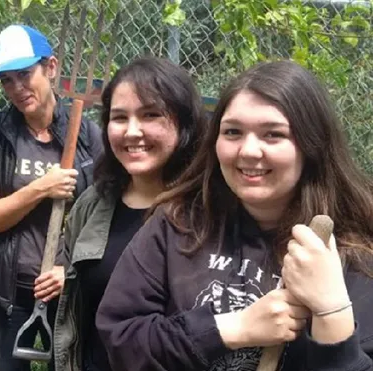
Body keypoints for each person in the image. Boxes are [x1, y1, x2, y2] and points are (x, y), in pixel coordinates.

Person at [96, 60, 373, 370]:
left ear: (312, 144)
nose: (248, 151)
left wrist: (331, 309)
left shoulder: (358, 251)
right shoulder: (177, 223)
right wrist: (233, 328)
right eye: (233, 132)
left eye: (273, 134)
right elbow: (121, 338)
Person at [53, 57, 206, 371]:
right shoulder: (93, 204)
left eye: (151, 115)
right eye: (119, 117)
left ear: (185, 124)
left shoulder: (209, 213)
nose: (132, 132)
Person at [0, 24, 103, 371]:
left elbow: (104, 220)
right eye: (6, 81)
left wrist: (70, 271)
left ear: (51, 67)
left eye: (25, 74)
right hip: (6, 294)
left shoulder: (90, 136)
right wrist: (42, 188)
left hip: (67, 294)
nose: (16, 88)